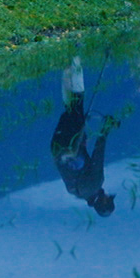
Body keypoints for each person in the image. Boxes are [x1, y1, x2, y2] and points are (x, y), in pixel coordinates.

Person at [50, 56, 116, 215]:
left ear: (103, 201)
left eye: (108, 199)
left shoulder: (96, 183)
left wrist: (106, 128)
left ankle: (75, 59)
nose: (108, 195)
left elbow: (98, 153)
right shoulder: (75, 192)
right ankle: (66, 66)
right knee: (71, 107)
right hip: (57, 145)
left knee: (78, 100)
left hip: (72, 141)